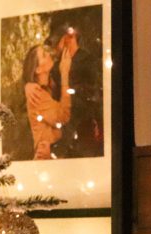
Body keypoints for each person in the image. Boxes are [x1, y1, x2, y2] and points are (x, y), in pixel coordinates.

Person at [50, 25, 104, 158]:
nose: (66, 40)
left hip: (84, 116)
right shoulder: (57, 66)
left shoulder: (87, 59)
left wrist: (74, 90)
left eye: (69, 36)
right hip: (64, 119)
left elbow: (95, 89)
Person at [22, 44, 71, 160]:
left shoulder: (49, 85)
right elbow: (63, 116)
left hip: (52, 155)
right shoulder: (37, 95)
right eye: (44, 55)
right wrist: (64, 73)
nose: (49, 55)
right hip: (45, 158)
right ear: (38, 69)